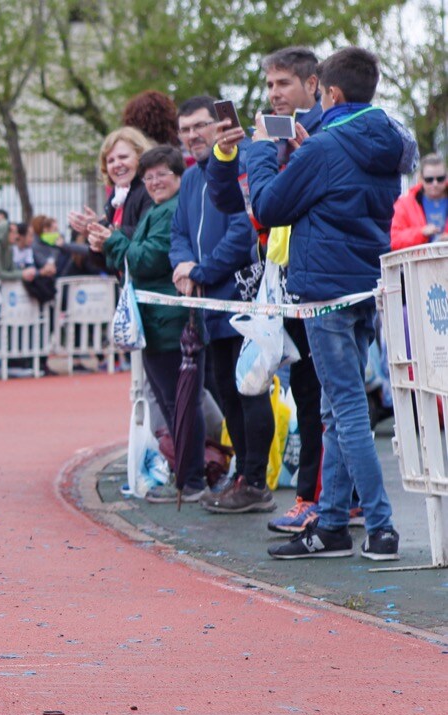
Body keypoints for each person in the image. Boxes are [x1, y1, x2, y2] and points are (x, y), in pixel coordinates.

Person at [246, 47, 409, 561]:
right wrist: (310, 147)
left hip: (325, 291)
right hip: (364, 285)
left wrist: (257, 149)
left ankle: (380, 525)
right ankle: (333, 524)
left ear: (328, 92)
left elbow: (269, 206)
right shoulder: (389, 140)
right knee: (338, 412)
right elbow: (343, 190)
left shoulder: (323, 148)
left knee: (347, 409)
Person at [207, 46, 329, 533]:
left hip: (318, 284)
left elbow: (273, 202)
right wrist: (226, 153)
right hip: (282, 283)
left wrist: (261, 153)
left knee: (323, 396)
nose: (274, 94)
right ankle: (326, 498)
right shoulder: (274, 137)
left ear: (313, 84)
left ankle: (316, 499)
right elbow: (229, 200)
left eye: (283, 84)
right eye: (270, 85)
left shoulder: (321, 134)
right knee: (307, 394)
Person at [167, 96, 273, 511]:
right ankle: (244, 476)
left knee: (250, 390)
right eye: (186, 129)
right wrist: (182, 266)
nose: (193, 135)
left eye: (200, 126)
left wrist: (200, 272)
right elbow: (179, 232)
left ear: (219, 127)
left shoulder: (239, 164)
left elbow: (242, 231)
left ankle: (256, 480)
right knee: (226, 392)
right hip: (209, 306)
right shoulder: (192, 178)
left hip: (241, 298)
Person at [90, 145, 207, 501]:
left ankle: (192, 479)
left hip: (169, 322)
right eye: (149, 176)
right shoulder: (158, 209)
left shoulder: (169, 211)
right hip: (158, 322)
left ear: (178, 176)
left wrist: (113, 239)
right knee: (175, 402)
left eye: (162, 175)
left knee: (180, 403)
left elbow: (145, 260)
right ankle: (188, 475)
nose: (154, 182)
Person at [69, 126, 155, 273]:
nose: (117, 164)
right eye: (110, 160)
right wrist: (94, 237)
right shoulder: (115, 199)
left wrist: (103, 228)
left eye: (123, 157)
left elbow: (144, 234)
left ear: (140, 157)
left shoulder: (149, 190)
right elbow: (109, 263)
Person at [391, 152, 448, 249]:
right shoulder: (404, 204)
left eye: (440, 179)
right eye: (429, 180)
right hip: (419, 262)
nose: (435, 183)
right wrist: (421, 233)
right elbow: (393, 239)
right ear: (420, 178)